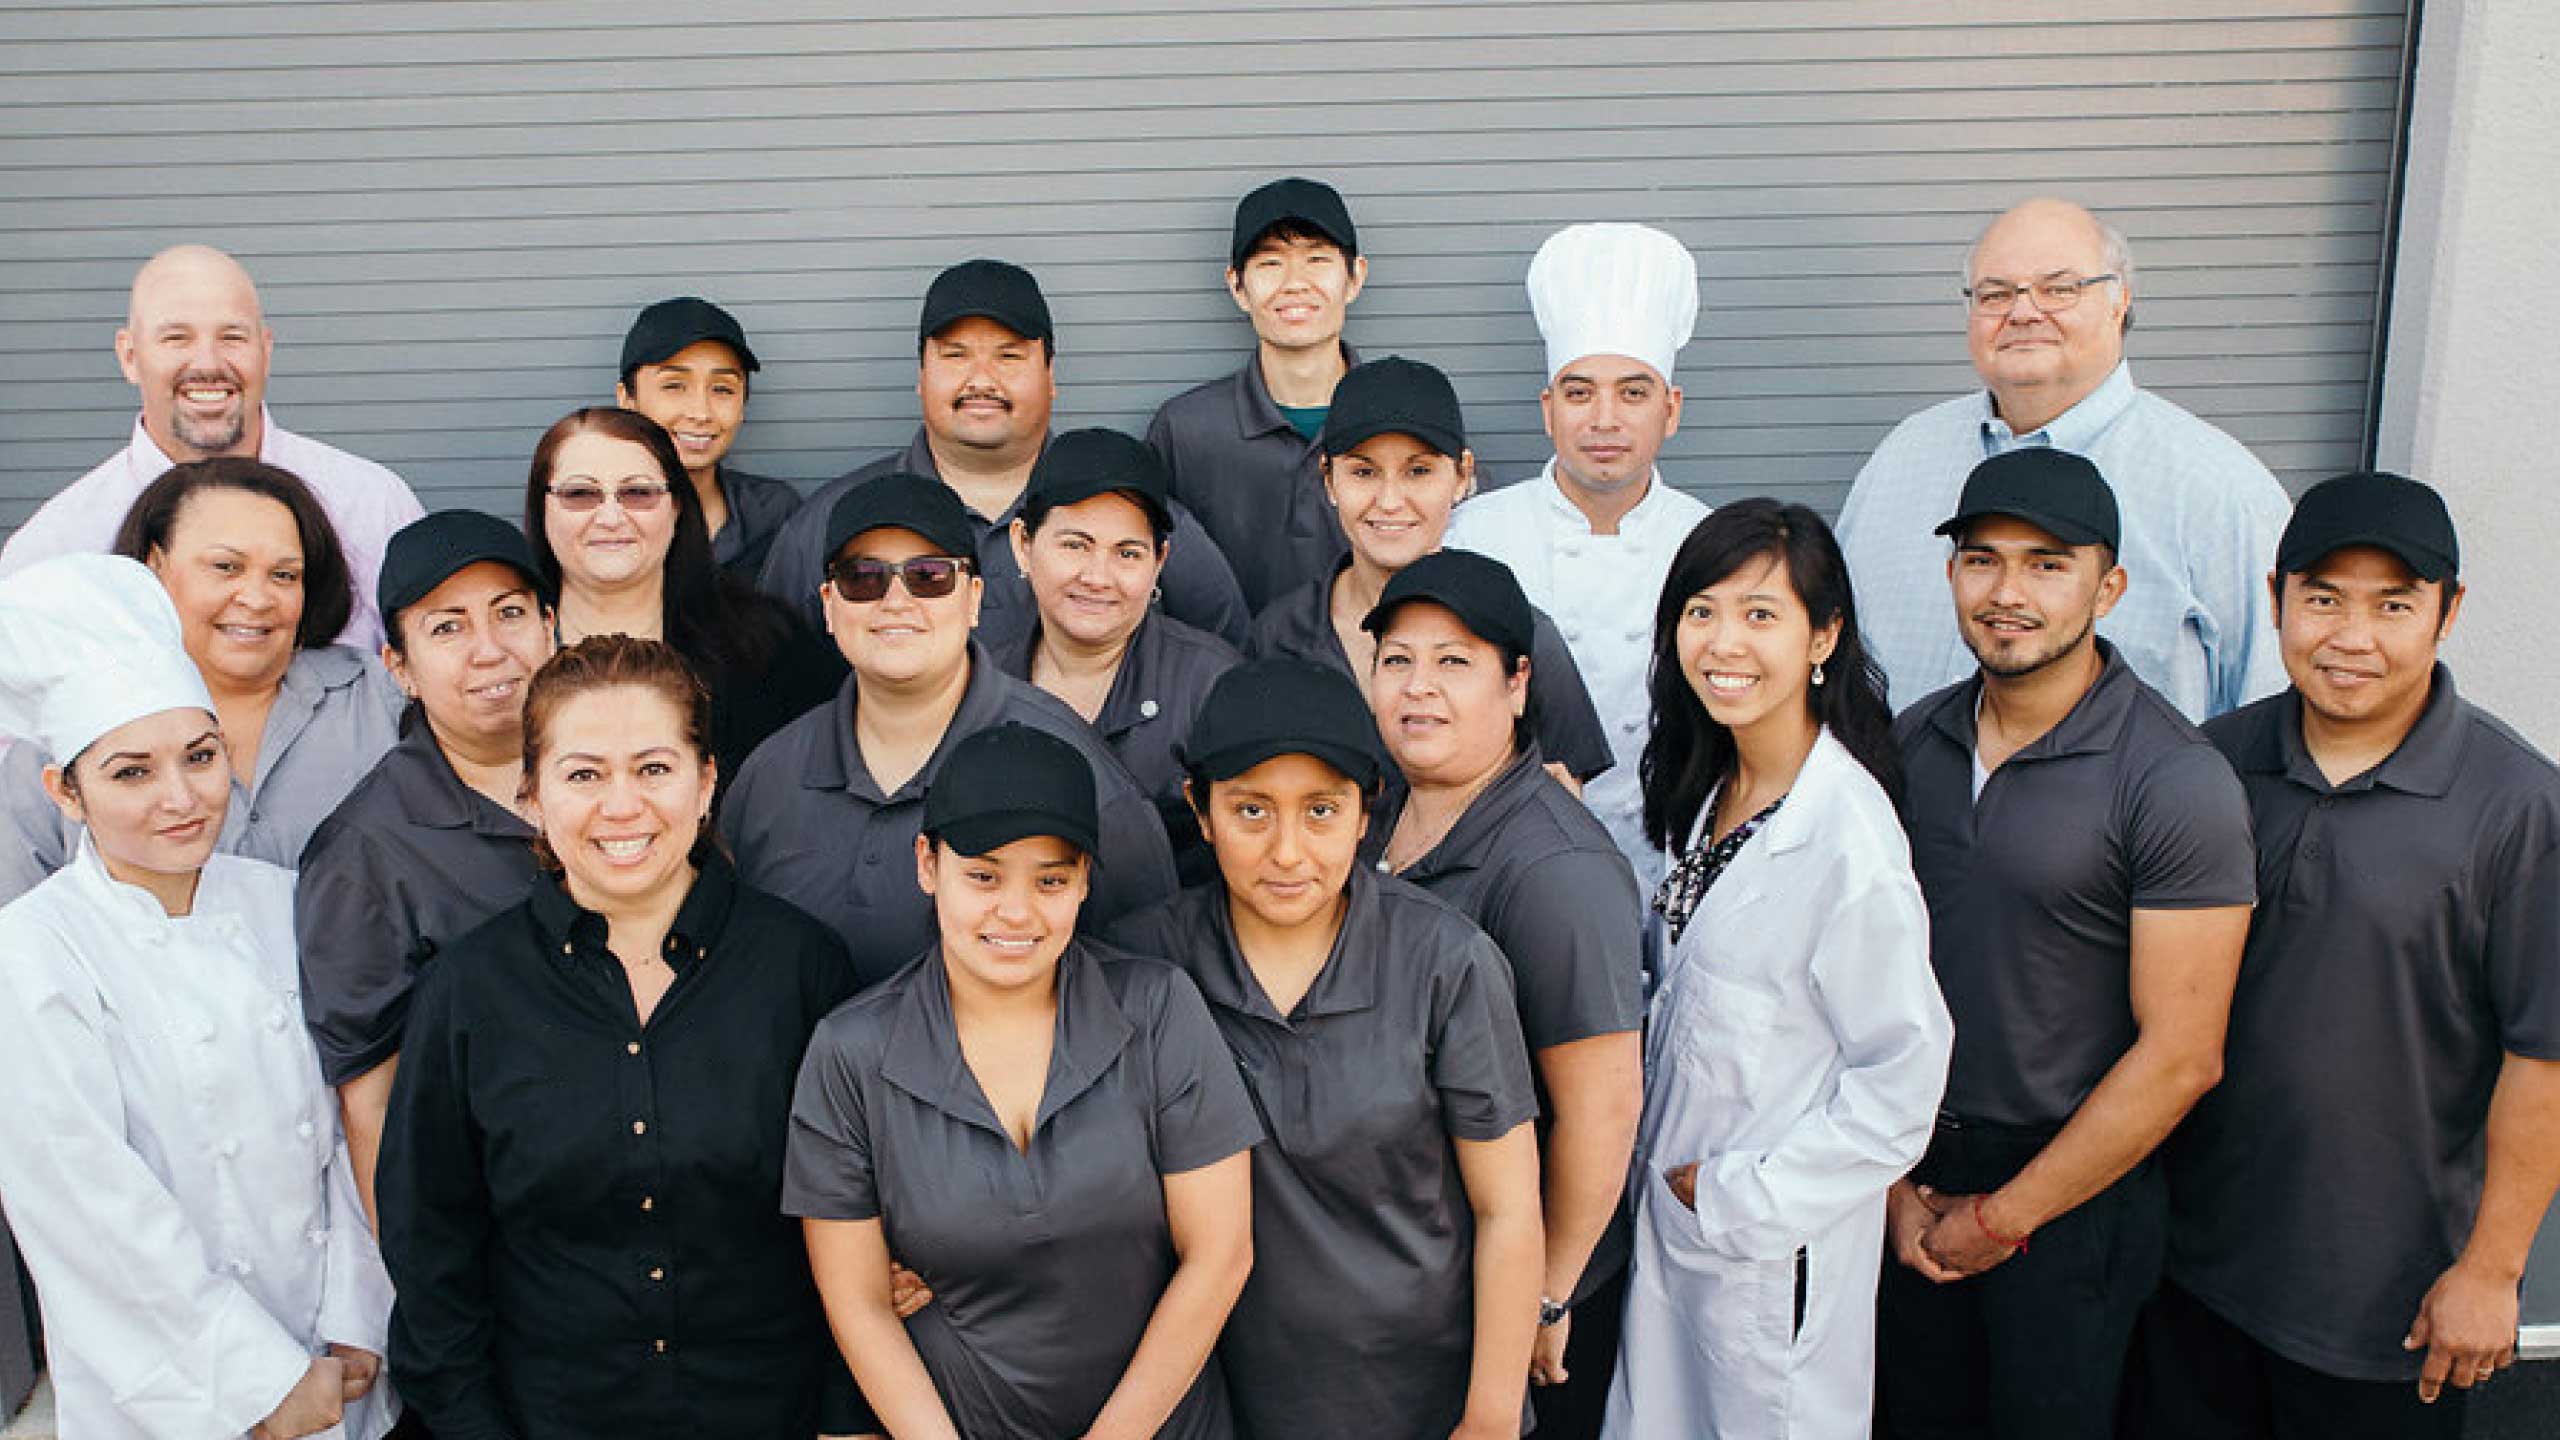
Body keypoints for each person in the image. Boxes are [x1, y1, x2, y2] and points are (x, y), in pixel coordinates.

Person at [2133, 472, 2560, 1438]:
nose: (2351, 636)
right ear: (2278, 594)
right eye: (2322, 598)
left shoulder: (2519, 807)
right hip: (2192, 1275)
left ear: (2447, 613)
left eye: (2393, 605)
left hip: (2389, 1312)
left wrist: (2492, 1271)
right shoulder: (2209, 767)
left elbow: (2545, 1061)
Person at [376, 634, 863, 1439]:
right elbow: (432, 1259)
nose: (622, 805)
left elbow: (865, 1234)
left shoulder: (800, 970)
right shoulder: (468, 992)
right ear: (531, 795)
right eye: (583, 775)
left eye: (654, 768)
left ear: (707, 782)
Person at [1876, 448, 2256, 1440]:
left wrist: (2000, 1219)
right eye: (1981, 560)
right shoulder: (1908, 746)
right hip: (1902, 1178)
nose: (2006, 592)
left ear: (2108, 586)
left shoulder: (2172, 778)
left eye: (2046, 564)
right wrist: (1888, 1190)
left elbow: (2181, 1056)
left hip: (2069, 1201)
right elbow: (1853, 982)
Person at [0, 553, 395, 1440]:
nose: (181, 798)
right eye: (131, 773)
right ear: (65, 791)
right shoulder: (30, 956)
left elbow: (346, 1126)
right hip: (170, 1391)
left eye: (201, 756)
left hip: (335, 1368)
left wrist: (355, 1316)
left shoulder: (283, 902)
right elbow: (87, 1209)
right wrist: (258, 1380)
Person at [1110, 659, 1545, 1440]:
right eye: (1250, 812)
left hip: (1415, 1393)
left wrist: (1491, 1414)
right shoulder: (1145, 966)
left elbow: (1507, 1206)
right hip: (1211, 1395)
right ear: (1199, 813)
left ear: (1365, 812)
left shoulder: (1444, 961)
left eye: (1319, 811)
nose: (1286, 853)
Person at [789, 722, 1260, 1437]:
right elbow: (858, 1304)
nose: (1016, 911)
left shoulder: (1157, 1010)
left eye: (1051, 880)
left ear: (1083, 883)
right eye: (983, 875)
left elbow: (1221, 1254)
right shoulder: (850, 1053)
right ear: (927, 863)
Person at [1605, 501, 1951, 1438]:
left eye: (1762, 614)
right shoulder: (1716, 786)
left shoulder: (1846, 840)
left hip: (1764, 1257)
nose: (1726, 642)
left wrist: (1733, 1198)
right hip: (1682, 1239)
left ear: (1823, 636)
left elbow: (1901, 1087)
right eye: (1702, 610)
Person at [1361, 549, 1645, 1439]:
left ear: (1518, 685)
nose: (1420, 689)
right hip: (1420, 1272)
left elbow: (1602, 1109)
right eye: (1398, 660)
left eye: (1455, 663)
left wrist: (1547, 1298)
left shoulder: (1558, 868)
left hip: (1520, 1301)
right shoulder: (1378, 811)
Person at [1836, 197, 2293, 720]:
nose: (2023, 312)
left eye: (2059, 289)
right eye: (1996, 293)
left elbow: (2271, 716)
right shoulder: (1904, 457)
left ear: (2119, 302)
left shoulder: (2219, 491)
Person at [722, 471, 1179, 985]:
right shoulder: (769, 777)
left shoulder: (1072, 767)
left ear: (974, 598)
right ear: (829, 603)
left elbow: (1143, 980)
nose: (896, 601)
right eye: (864, 577)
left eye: (929, 576)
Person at [755, 258, 1249, 650]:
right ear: (920, 375)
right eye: (955, 355)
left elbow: (1223, 659)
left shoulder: (1138, 520)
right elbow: (775, 686)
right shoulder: (830, 524)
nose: (981, 380)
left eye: (1009, 356)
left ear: (1051, 375)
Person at [297, 510, 555, 1221]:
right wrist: (427, 1290)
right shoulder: (365, 852)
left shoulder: (621, 783)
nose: (490, 649)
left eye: (509, 613)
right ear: (398, 667)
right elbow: (373, 1105)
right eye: (447, 627)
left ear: (550, 627)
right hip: (499, 1223)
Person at [1, 458, 404, 903]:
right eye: (226, 567)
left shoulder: (383, 698)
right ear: (155, 566)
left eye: (284, 575)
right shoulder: (63, 729)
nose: (256, 598)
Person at [1445, 221, 1713, 891]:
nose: (1604, 420)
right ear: (1548, 410)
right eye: (1578, 392)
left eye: (1633, 392)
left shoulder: (1713, 545)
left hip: (1675, 866)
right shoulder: (1471, 539)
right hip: (1510, 867)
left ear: (1671, 410)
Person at [0, 244, 423, 652]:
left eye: (232, 336)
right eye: (176, 338)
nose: (207, 363)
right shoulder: (54, 551)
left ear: (266, 351)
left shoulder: (372, 506)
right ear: (130, 357)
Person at [1247, 355, 1614, 793]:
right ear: (1328, 480)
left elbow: (1562, 809)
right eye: (1363, 472)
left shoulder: (1522, 631)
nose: (1389, 501)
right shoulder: (1280, 634)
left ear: (1462, 476)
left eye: (1418, 472)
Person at [524, 405, 843, 778]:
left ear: (676, 506)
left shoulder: (765, 645)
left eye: (638, 492)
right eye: (579, 493)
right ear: (541, 507)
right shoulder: (502, 654)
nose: (610, 518)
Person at [996, 426, 1241, 879]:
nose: (1098, 577)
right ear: (1023, 545)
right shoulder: (981, 682)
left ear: (1159, 562)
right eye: (1074, 545)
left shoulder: (1210, 683)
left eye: (1127, 554)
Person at [1148, 176, 1367, 610]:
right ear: (1236, 285)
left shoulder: (1405, 417)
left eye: (1318, 259)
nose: (1295, 283)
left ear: (1354, 277)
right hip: (1224, 675)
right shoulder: (1186, 431)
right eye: (1270, 263)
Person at [613, 296, 806, 579]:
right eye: (674, 386)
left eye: (722, 389)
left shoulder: (775, 515)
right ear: (627, 400)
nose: (700, 413)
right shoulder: (595, 518)